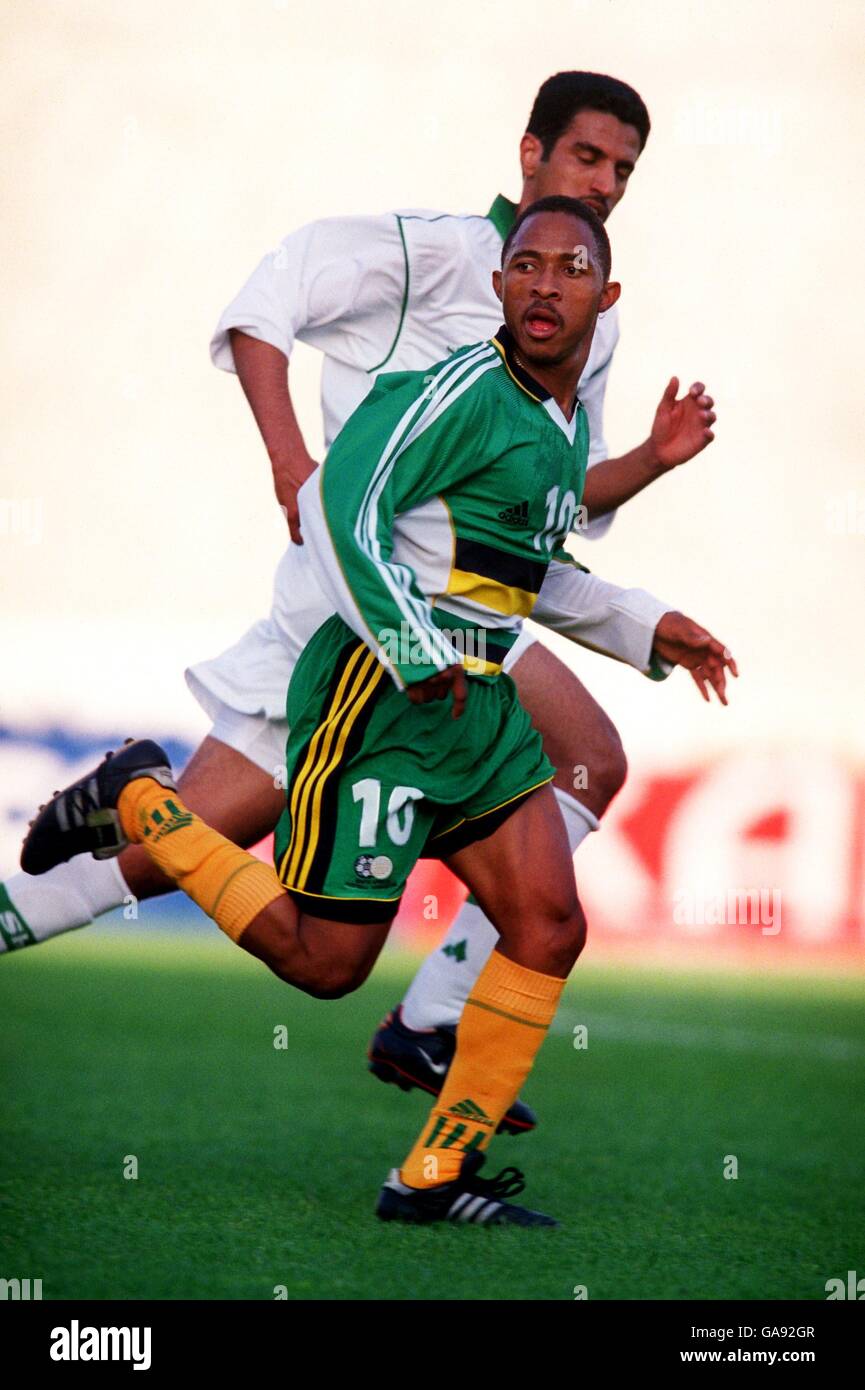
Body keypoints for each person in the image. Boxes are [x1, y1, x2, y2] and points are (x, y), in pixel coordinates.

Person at [1, 71, 716, 1134]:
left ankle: (428, 1022)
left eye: (622, 169)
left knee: (586, 762)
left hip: (460, 623)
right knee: (172, 857)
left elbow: (551, 498)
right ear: (529, 155)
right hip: (348, 613)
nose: (604, 184)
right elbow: (265, 303)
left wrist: (651, 467)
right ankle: (421, 1022)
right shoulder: (429, 252)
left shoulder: (583, 317)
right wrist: (290, 459)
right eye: (585, 158)